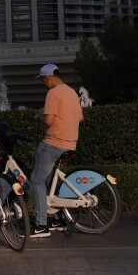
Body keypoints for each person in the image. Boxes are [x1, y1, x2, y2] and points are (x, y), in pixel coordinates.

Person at [29, 63, 84, 238]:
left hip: (53, 143)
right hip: (70, 143)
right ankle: (59, 219)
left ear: (47, 78)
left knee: (36, 180)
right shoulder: (72, 92)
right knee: (50, 181)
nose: (43, 83)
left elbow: (49, 121)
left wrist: (38, 117)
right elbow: (80, 118)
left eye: (43, 80)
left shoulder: (53, 93)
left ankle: (41, 225)